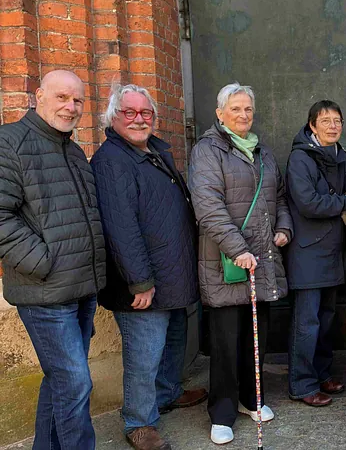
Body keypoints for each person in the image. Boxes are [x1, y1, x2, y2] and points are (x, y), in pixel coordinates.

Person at [90, 84, 208, 450]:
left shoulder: (152, 151)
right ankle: (139, 422)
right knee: (144, 354)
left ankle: (167, 392)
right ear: (113, 117)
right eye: (130, 112)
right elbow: (120, 226)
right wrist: (139, 281)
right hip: (143, 282)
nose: (139, 119)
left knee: (173, 340)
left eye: (145, 113)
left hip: (171, 275)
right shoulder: (111, 160)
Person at [0, 70, 106, 449]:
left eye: (78, 100)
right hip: (45, 293)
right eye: (62, 97)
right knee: (75, 383)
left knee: (61, 380)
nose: (71, 107)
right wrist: (44, 262)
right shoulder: (10, 142)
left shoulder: (73, 152)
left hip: (81, 289)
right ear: (39, 96)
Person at [189, 82, 293, 445]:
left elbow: (280, 197)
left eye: (248, 108)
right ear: (220, 114)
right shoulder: (207, 151)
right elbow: (208, 207)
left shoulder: (262, 152)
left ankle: (251, 399)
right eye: (235, 108)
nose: (243, 115)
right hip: (226, 263)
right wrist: (237, 249)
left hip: (261, 261)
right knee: (226, 343)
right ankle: (222, 413)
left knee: (255, 337)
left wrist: (283, 228)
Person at [285, 100, 346, 406]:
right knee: (307, 323)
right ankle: (302, 385)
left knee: (326, 318)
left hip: (331, 249)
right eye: (325, 120)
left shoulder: (338, 156)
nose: (333, 126)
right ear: (312, 126)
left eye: (337, 121)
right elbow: (308, 203)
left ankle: (321, 374)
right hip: (307, 251)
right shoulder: (300, 159)